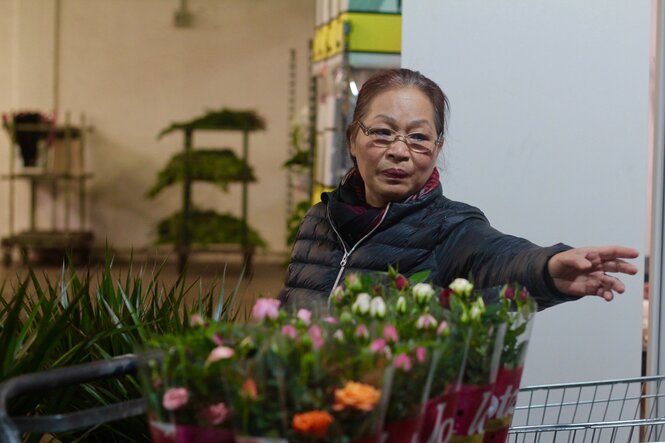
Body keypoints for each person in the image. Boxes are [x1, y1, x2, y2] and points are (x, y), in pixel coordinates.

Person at [280, 68, 638, 312]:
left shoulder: (451, 227)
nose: (399, 150)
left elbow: (498, 258)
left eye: (418, 137)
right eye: (383, 132)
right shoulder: (319, 220)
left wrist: (546, 269)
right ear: (353, 139)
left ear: (437, 149)